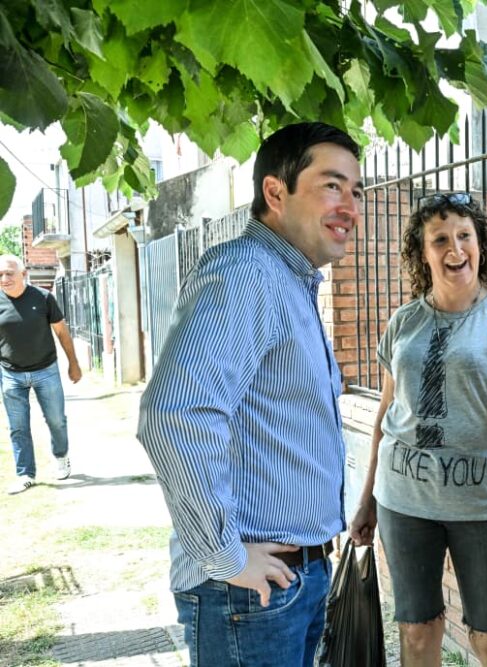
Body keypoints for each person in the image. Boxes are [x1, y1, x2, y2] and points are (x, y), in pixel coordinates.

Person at [137, 122, 363, 667]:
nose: (350, 206)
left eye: (356, 191)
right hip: (248, 592)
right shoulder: (247, 273)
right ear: (275, 192)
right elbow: (174, 415)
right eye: (332, 185)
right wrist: (225, 556)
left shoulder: (290, 281)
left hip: (289, 581)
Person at [349, 192, 487, 667]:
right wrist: (368, 496)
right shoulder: (403, 321)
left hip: (482, 503)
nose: (455, 248)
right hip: (404, 500)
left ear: (479, 244)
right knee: (416, 632)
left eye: (464, 236)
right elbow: (388, 414)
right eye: (440, 239)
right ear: (423, 252)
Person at [0, 254, 81, 494]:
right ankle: (25, 473)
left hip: (46, 370)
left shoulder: (43, 298)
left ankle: (61, 456)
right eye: (0, 275)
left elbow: (62, 332)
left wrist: (73, 363)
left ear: (23, 274)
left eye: (9, 273)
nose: (4, 279)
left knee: (56, 420)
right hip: (11, 373)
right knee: (18, 426)